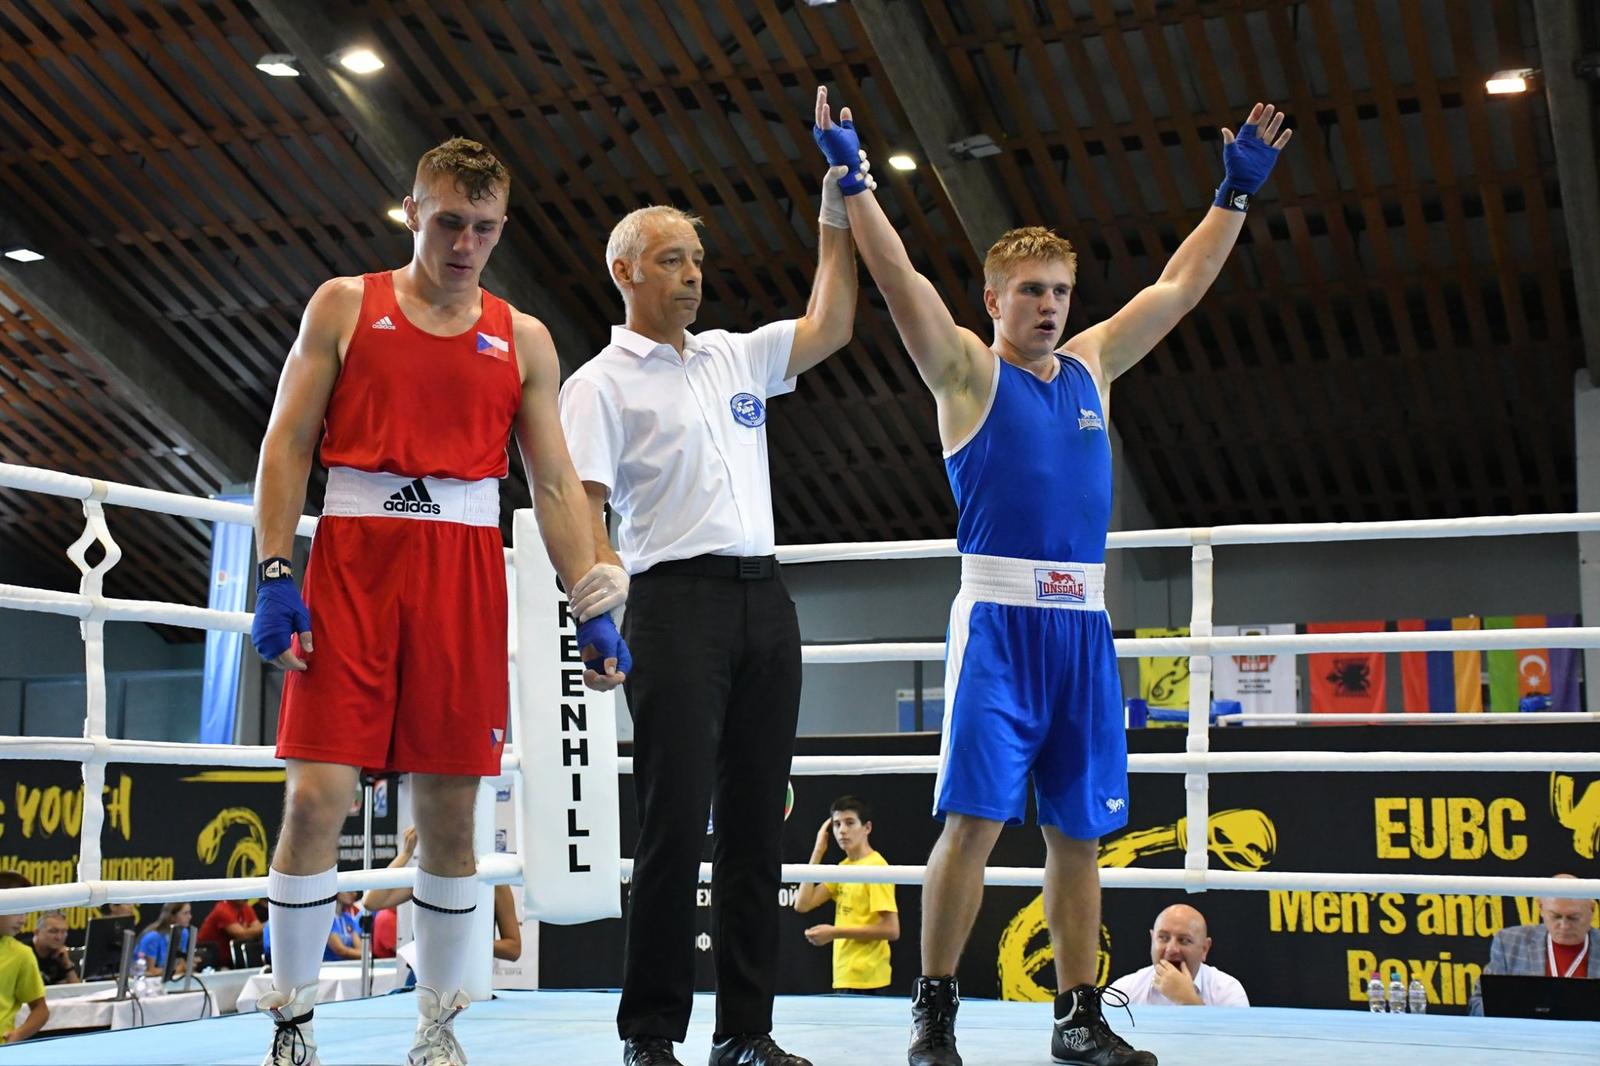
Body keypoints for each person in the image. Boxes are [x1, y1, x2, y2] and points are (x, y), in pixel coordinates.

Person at [812, 86, 1291, 1066]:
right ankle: (934, 1012)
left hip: (1082, 632)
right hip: (996, 624)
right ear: (993, 299)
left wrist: (1231, 198)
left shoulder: (1093, 366)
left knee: (1079, 834)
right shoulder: (962, 373)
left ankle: (1077, 1016)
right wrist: (856, 185)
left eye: (1058, 291)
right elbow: (899, 279)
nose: (1047, 306)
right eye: (1029, 290)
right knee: (972, 826)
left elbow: (1177, 287)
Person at [249, 134, 627, 1066]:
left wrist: (592, 600)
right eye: (449, 221)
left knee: (453, 817)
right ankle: (292, 1018)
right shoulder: (346, 305)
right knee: (313, 802)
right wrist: (273, 572)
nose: (464, 242)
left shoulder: (523, 336)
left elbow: (551, 482)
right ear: (413, 212)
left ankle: (438, 1026)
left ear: (502, 229)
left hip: (461, 573)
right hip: (351, 565)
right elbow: (286, 444)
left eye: (484, 228)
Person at [558, 87, 859, 1066]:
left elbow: (831, 322)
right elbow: (582, 506)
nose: (692, 274)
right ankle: (650, 1032)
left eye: (697, 258)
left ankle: (746, 1033)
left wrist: (835, 207)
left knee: (754, 834)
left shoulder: (735, 355)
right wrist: (597, 611)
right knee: (673, 824)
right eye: (673, 259)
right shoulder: (597, 383)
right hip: (672, 603)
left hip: (764, 601)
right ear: (626, 270)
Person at [362, 826, 524, 964]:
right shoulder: (430, 877)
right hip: (426, 973)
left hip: (471, 980)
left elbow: (513, 948)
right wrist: (405, 854)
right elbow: (372, 901)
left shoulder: (493, 882)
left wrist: (464, 943)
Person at [793, 795, 899, 992]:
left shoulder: (876, 866)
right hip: (843, 977)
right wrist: (817, 852)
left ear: (867, 828)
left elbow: (891, 929)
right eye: (836, 824)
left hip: (870, 979)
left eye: (850, 823)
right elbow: (803, 904)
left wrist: (834, 932)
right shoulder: (843, 868)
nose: (842, 830)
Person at [1470, 874, 1599, 1015]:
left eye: (1574, 918)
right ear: (1540, 907)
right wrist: (1510, 1016)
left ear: (1592, 910)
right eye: (1555, 916)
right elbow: (1477, 1004)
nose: (1564, 925)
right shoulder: (1509, 943)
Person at [1108, 905, 1248, 1007]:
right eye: (1163, 938)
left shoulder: (1227, 990)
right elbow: (1093, 1042)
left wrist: (1189, 1001)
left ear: (1204, 949)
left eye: (1184, 940)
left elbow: (1239, 1045)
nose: (1172, 949)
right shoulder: (1123, 991)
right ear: (1152, 940)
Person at [0, 872, 48, 1044]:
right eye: (18, 911)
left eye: (26, 912)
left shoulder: (21, 954)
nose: (23, 920)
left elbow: (40, 1009)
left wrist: (18, 1034)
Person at [196, 898, 263, 969]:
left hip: (231, 961)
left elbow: (260, 929)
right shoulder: (222, 909)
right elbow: (242, 935)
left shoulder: (245, 907)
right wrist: (252, 931)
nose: (246, 898)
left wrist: (248, 931)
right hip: (209, 962)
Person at [19, 911, 80, 985]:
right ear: (37, 932)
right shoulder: (21, 952)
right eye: (53, 931)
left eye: (63, 932)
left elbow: (76, 992)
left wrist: (67, 965)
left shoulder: (60, 955)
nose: (59, 937)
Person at [135, 901, 192, 977]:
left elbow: (181, 965)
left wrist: (175, 970)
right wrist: (175, 971)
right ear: (172, 916)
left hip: (168, 976)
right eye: (185, 913)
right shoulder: (152, 938)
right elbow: (149, 971)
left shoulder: (184, 933)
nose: (190, 917)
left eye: (189, 913)